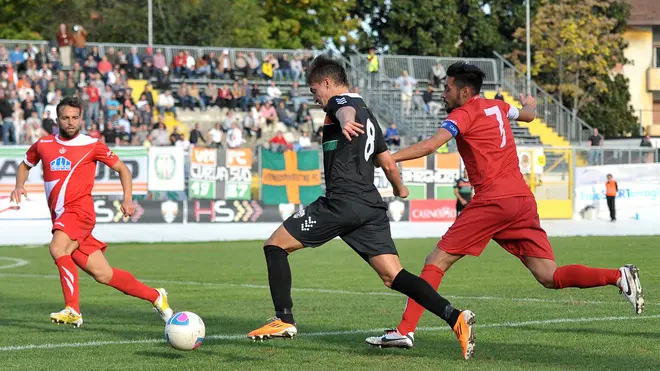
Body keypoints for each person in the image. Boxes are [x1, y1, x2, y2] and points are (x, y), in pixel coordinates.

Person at [365, 61, 644, 351]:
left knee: (435, 262)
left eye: (447, 89)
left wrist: (387, 158)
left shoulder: (462, 114)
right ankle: (618, 276)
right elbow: (528, 116)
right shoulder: (499, 107)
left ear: (464, 91)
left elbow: (430, 146)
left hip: (493, 200)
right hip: (522, 200)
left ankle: (405, 330)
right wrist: (531, 104)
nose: (443, 94)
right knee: (549, 275)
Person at [247, 55, 476, 360]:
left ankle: (284, 319)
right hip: (370, 207)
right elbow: (387, 162)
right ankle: (455, 317)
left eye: (315, 92)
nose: (316, 100)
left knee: (275, 246)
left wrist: (342, 118)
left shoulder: (342, 103)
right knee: (394, 275)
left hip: (342, 202)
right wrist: (400, 189)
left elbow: (342, 108)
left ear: (327, 83)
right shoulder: (369, 114)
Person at [9, 96, 173, 328]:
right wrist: (19, 185)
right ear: (57, 119)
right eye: (65, 118)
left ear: (81, 119)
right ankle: (156, 296)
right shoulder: (43, 145)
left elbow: (123, 169)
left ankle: (73, 309)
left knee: (57, 247)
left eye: (75, 118)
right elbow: (25, 165)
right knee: (104, 274)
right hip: (62, 217)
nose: (70, 122)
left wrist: (127, 199)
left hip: (80, 213)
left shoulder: (92, 144)